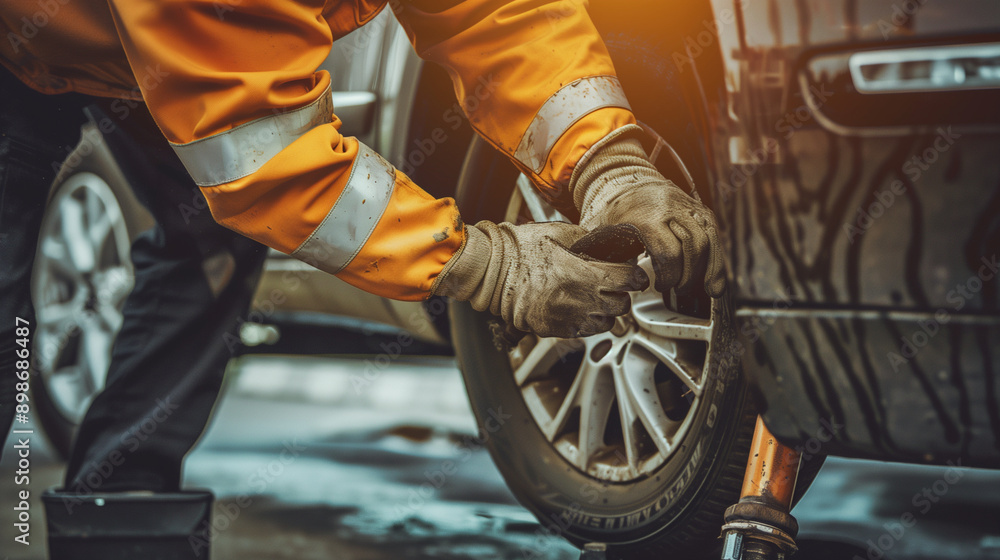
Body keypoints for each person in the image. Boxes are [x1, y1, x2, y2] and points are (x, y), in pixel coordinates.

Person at [2, 0, 725, 556]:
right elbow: (267, 158)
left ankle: (122, 501)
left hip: (156, 48)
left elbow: (496, 16)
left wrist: (608, 160)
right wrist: (487, 265)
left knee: (210, 249)